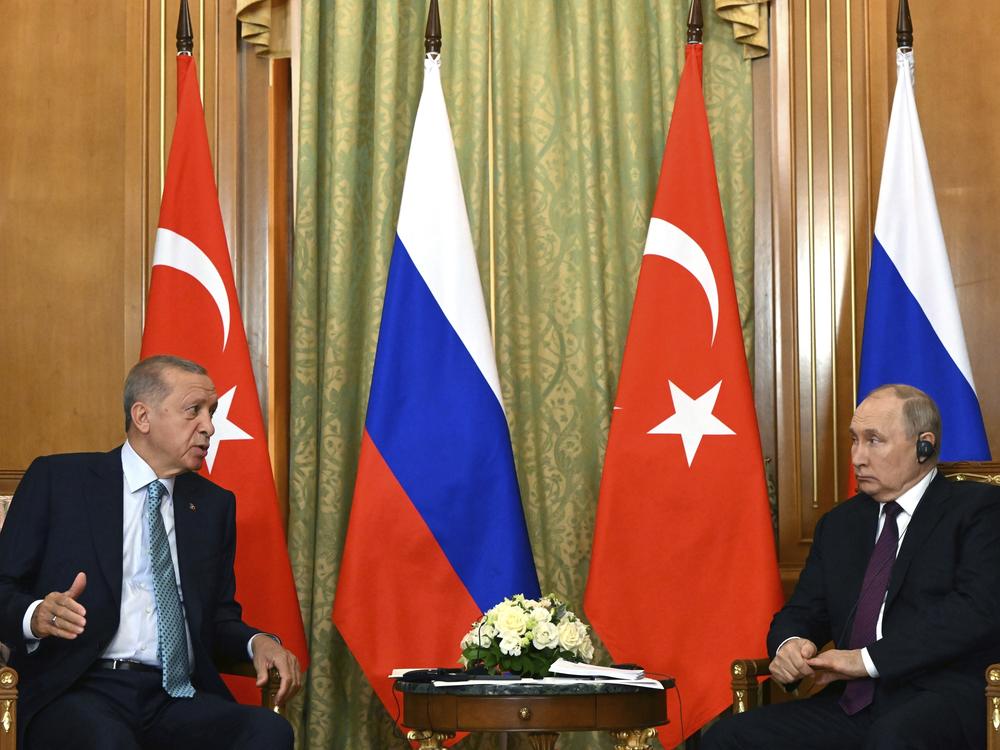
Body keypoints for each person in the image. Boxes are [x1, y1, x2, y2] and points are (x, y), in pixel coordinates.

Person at [0, 355, 302, 749]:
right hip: (79, 689)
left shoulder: (212, 505)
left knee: (269, 732)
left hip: (173, 695)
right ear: (142, 417)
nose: (209, 426)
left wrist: (257, 641)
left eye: (210, 412)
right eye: (194, 410)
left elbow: (217, 617)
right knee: (108, 741)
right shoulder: (59, 480)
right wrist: (35, 615)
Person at [703, 383, 1000, 750]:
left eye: (874, 440)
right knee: (728, 737)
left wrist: (866, 660)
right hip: (853, 703)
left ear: (924, 446)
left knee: (893, 738)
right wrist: (790, 646)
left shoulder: (978, 510)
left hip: (942, 696)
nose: (857, 457)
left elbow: (974, 612)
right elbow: (802, 610)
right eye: (854, 440)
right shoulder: (839, 524)